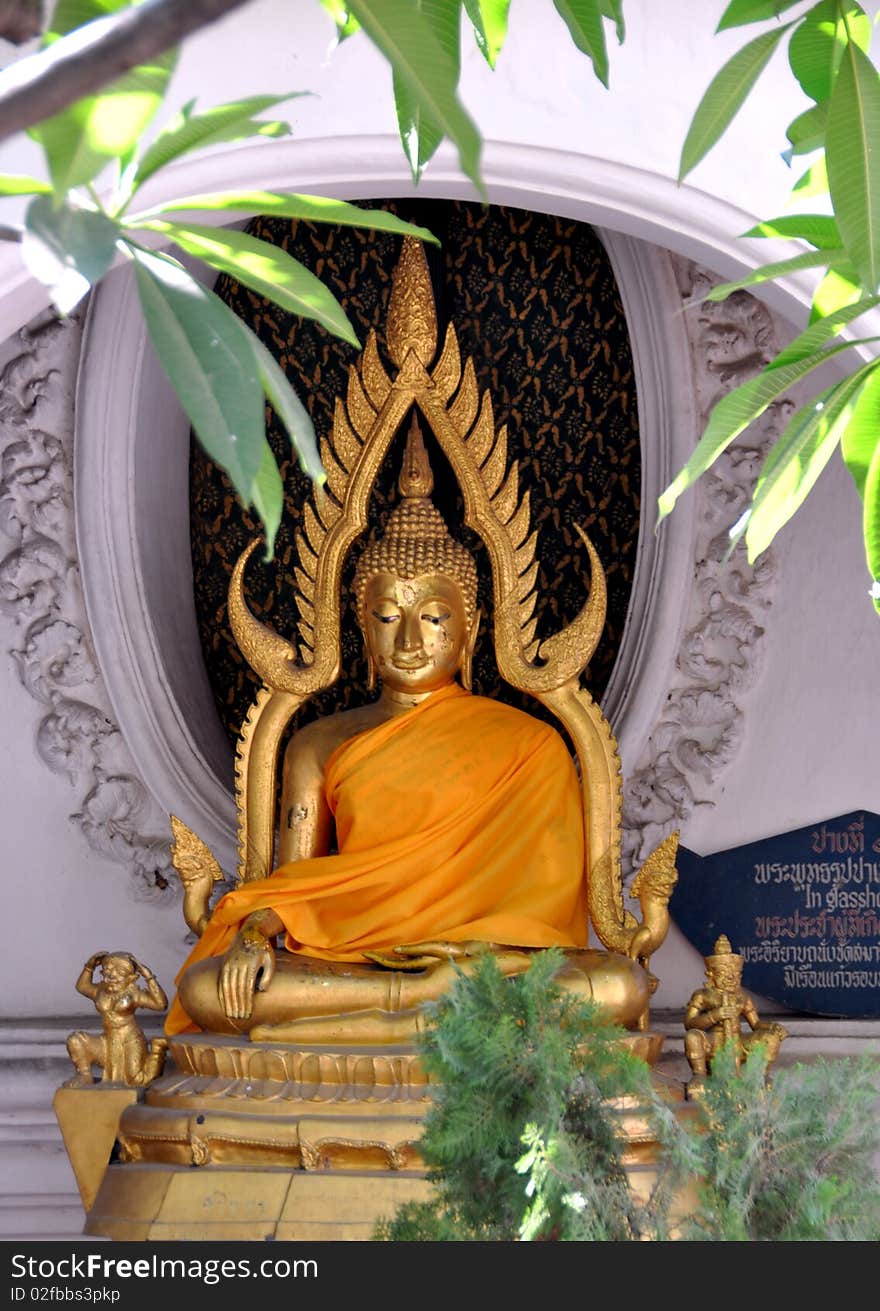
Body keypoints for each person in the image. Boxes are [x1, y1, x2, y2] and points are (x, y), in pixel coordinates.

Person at [167, 422, 648, 1039]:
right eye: (388, 616)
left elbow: (548, 916)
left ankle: (367, 1025)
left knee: (617, 987)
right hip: (359, 961)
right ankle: (423, 1009)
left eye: (435, 618)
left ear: (472, 627)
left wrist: (475, 957)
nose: (411, 641)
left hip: (491, 969)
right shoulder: (320, 742)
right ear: (360, 628)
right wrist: (255, 936)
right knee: (209, 988)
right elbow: (288, 887)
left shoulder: (532, 746)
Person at [67, 951, 168, 1085]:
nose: (112, 975)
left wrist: (149, 977)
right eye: (108, 970)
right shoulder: (101, 990)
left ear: (131, 978)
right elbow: (82, 987)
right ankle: (85, 1075)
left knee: (136, 1080)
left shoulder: (133, 993)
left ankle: (157, 1050)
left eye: (120, 972)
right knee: (75, 1040)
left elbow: (161, 1005)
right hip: (107, 1040)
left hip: (130, 1039)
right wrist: (89, 967)